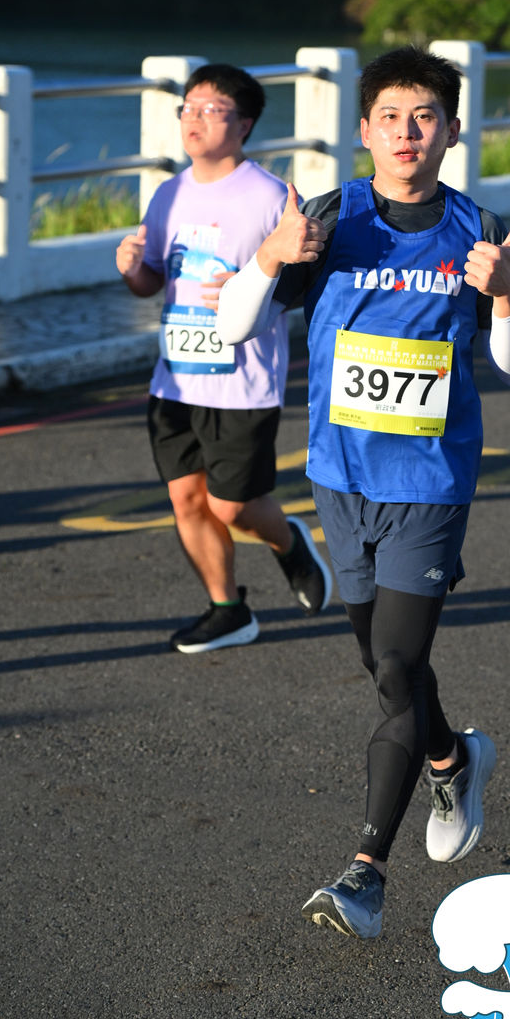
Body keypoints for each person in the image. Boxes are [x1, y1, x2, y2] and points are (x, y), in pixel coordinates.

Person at [217, 46, 510, 939]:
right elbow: (235, 325)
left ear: (451, 131)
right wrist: (269, 257)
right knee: (385, 666)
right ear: (364, 130)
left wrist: (507, 296)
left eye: (424, 117)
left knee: (397, 665)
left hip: (430, 485)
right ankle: (451, 759)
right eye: (391, 117)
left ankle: (364, 873)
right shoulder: (327, 220)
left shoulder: (476, 231)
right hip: (339, 479)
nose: (407, 133)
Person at [115, 63, 331, 654]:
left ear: (245, 124)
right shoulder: (169, 193)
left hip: (243, 381)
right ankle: (228, 609)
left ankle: (288, 540)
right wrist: (130, 269)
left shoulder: (269, 197)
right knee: (186, 500)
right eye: (187, 108)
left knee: (231, 505)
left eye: (211, 110)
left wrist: (249, 284)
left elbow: (302, 284)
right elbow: (152, 281)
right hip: (175, 379)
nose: (194, 120)